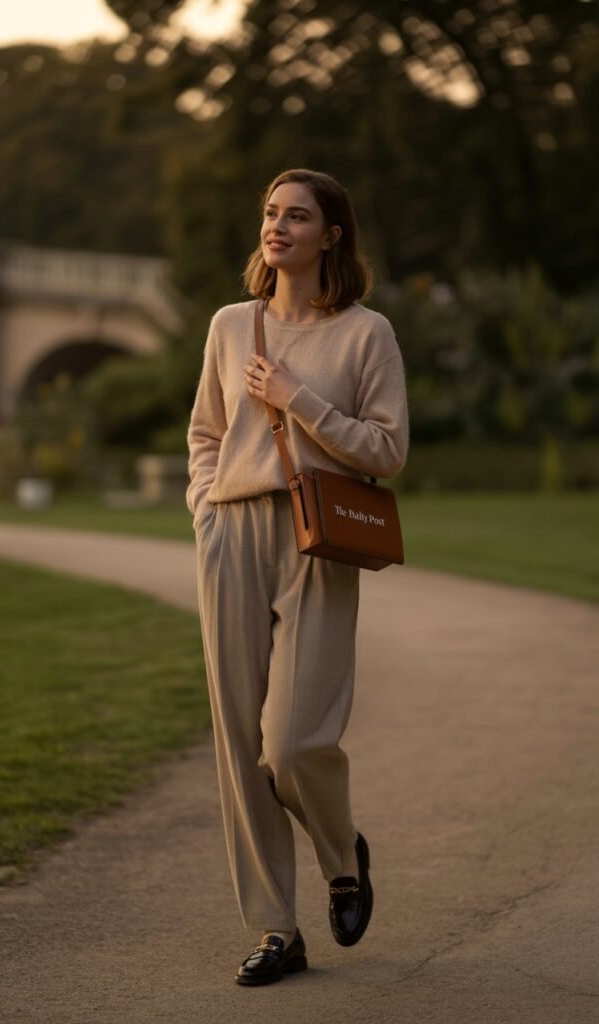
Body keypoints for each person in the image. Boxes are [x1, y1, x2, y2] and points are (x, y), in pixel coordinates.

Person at [186, 168, 409, 986]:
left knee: (291, 743)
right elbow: (206, 433)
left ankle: (342, 853)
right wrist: (205, 509)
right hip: (232, 534)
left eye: (298, 216)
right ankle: (276, 928)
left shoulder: (366, 334)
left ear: (331, 235)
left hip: (320, 535)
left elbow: (388, 449)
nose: (277, 226)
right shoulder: (229, 325)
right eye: (271, 213)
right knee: (238, 743)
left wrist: (298, 398)